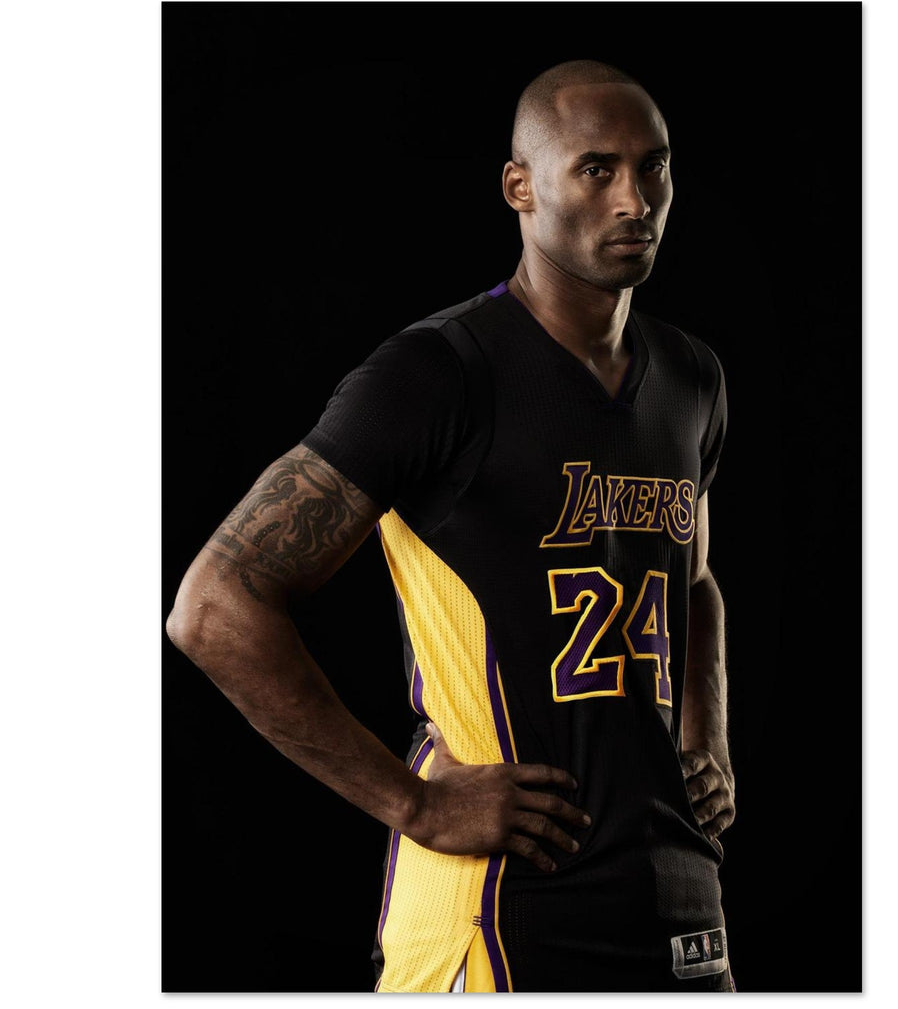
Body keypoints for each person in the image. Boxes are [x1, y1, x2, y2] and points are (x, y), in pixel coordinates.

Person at [167, 59, 736, 993]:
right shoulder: (437, 375)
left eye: (655, 167)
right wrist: (416, 805)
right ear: (521, 186)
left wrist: (707, 737)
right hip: (497, 903)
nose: (636, 200)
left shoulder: (692, 378)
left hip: (675, 890)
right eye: (597, 169)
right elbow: (213, 606)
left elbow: (695, 579)